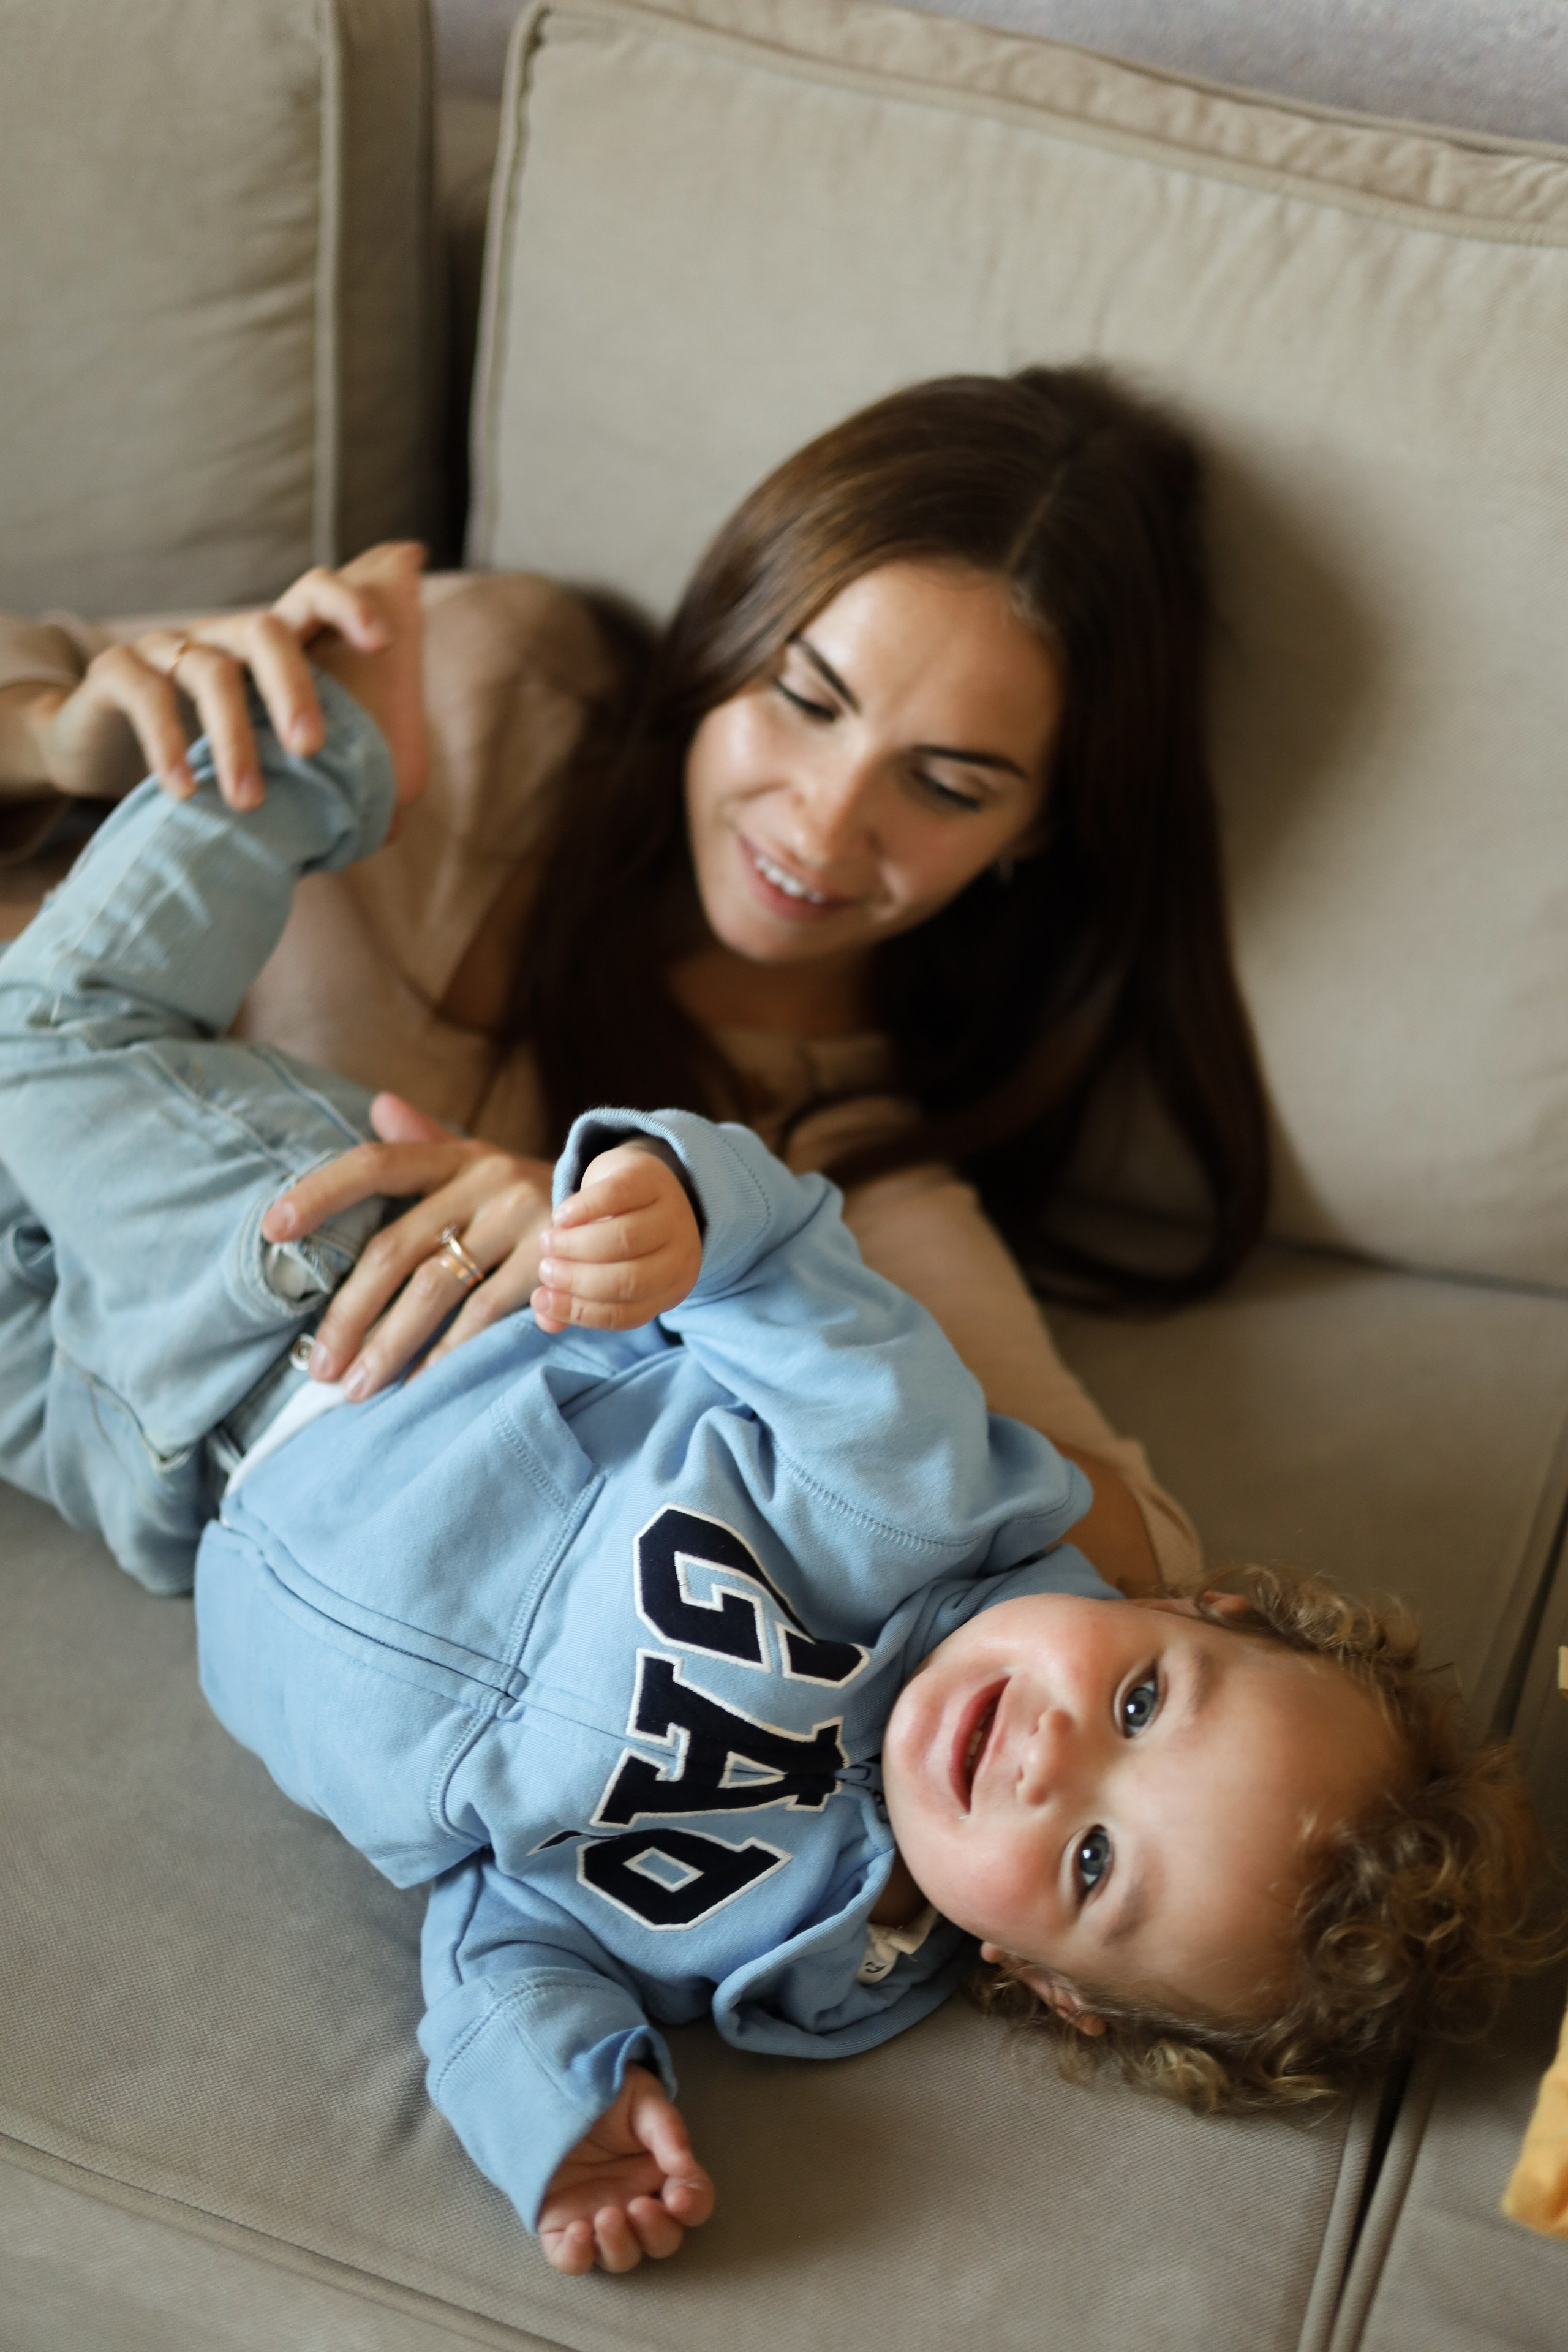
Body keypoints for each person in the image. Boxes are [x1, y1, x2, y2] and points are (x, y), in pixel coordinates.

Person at [0, 557, 1547, 2276]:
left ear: (1056, 1994)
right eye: (1139, 1693)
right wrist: (662, 1195)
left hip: (167, 1489)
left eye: (1099, 1859)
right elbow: (794, 1274)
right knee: (44, 1040)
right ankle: (314, 768)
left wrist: (562, 2112)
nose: (1046, 1758)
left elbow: (501, 1927)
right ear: (1192, 1609)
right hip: (323, 1304)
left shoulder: (786, 1960)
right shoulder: (912, 1504)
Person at [0, 368, 1274, 1602]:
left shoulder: (855, 1169)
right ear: (729, 627)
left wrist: (689, 1266)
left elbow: (1142, 1554)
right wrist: (61, 743)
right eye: (802, 698)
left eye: (945, 786)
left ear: (1036, 833)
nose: (822, 829)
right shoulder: (500, 675)